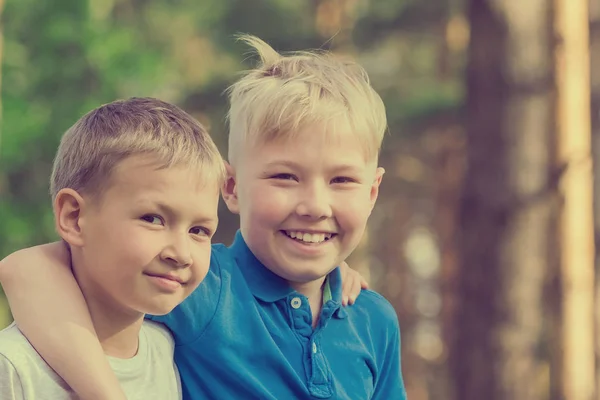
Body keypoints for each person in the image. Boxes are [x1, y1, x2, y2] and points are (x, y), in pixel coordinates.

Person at [0, 35, 406, 399]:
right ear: (230, 187)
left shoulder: (374, 320)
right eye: (285, 176)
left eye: (342, 180)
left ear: (372, 192)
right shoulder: (206, 288)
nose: (315, 206)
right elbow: (27, 271)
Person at [0, 97, 226, 399]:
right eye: (153, 218)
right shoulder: (14, 368)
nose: (181, 253)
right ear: (74, 217)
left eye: (199, 230)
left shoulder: (166, 351)